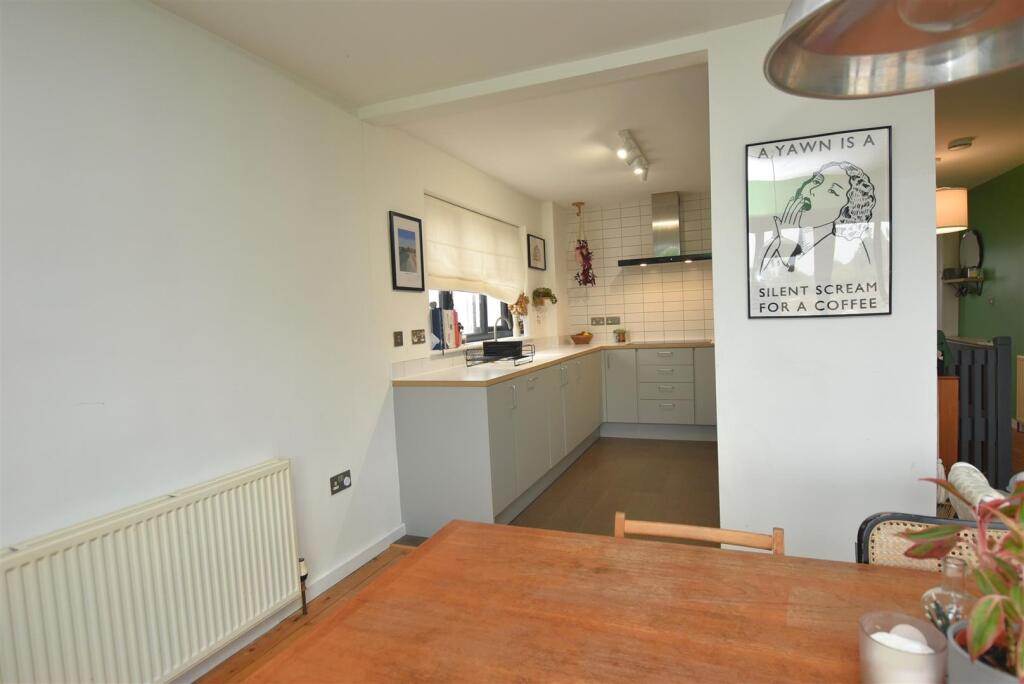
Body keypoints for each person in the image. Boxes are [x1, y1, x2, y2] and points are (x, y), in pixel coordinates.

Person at [759, 160, 877, 274]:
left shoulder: (848, 250)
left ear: (847, 209)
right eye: (816, 182)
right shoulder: (777, 239)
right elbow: (761, 282)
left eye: (832, 191)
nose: (812, 191)